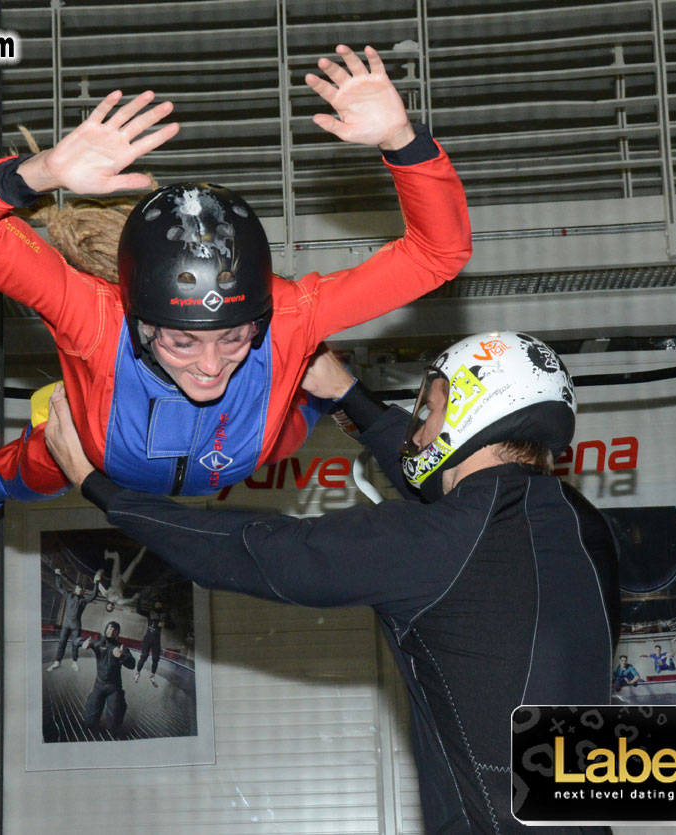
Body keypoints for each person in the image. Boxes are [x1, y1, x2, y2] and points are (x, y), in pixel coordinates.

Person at [43, 332, 619, 834]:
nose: (421, 428)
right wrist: (346, 393)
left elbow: (251, 551)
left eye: (435, 408)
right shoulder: (583, 526)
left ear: (476, 409)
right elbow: (450, 500)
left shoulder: (442, 542)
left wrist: (100, 489)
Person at [0, 43, 472, 561]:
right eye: (184, 340)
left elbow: (437, 255)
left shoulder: (289, 316)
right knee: (34, 472)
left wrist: (403, 138)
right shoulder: (93, 316)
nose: (210, 367)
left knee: (310, 392)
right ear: (140, 325)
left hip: (251, 446)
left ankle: (321, 382)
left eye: (232, 336)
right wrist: (38, 174)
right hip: (96, 448)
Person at [80, 621, 137, 732]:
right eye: (109, 629)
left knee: (113, 727)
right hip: (99, 686)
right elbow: (77, 641)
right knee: (89, 724)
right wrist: (83, 643)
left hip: (114, 688)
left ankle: (120, 702)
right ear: (105, 630)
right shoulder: (98, 643)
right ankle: (93, 701)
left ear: (117, 633)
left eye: (114, 630)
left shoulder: (121, 647)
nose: (111, 631)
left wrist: (121, 656)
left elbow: (132, 665)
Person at [46, 568, 102, 672]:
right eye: (78, 589)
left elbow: (94, 595)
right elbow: (59, 587)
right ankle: (57, 662)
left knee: (75, 644)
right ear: (75, 589)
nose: (79, 590)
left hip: (76, 626)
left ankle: (74, 662)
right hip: (66, 625)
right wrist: (58, 575)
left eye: (81, 589)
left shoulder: (83, 601)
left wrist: (96, 582)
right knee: (62, 642)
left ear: (82, 591)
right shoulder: (69, 596)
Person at [133, 598, 174, 687]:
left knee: (155, 659)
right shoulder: (150, 613)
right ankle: (137, 673)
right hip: (148, 638)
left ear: (161, 605)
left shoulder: (165, 615)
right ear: (154, 605)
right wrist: (138, 600)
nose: (158, 605)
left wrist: (165, 624)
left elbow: (173, 626)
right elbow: (139, 610)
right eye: (156, 604)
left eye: (159, 604)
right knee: (144, 656)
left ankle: (152, 676)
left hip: (156, 640)